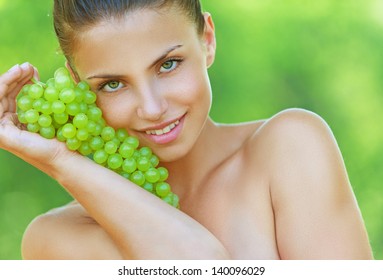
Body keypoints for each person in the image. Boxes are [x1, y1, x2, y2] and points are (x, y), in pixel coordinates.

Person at [0, 0, 373, 260]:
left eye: (168, 65)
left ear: (207, 39)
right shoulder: (56, 239)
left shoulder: (290, 148)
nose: (152, 108)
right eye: (112, 84)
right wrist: (61, 161)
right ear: (76, 81)